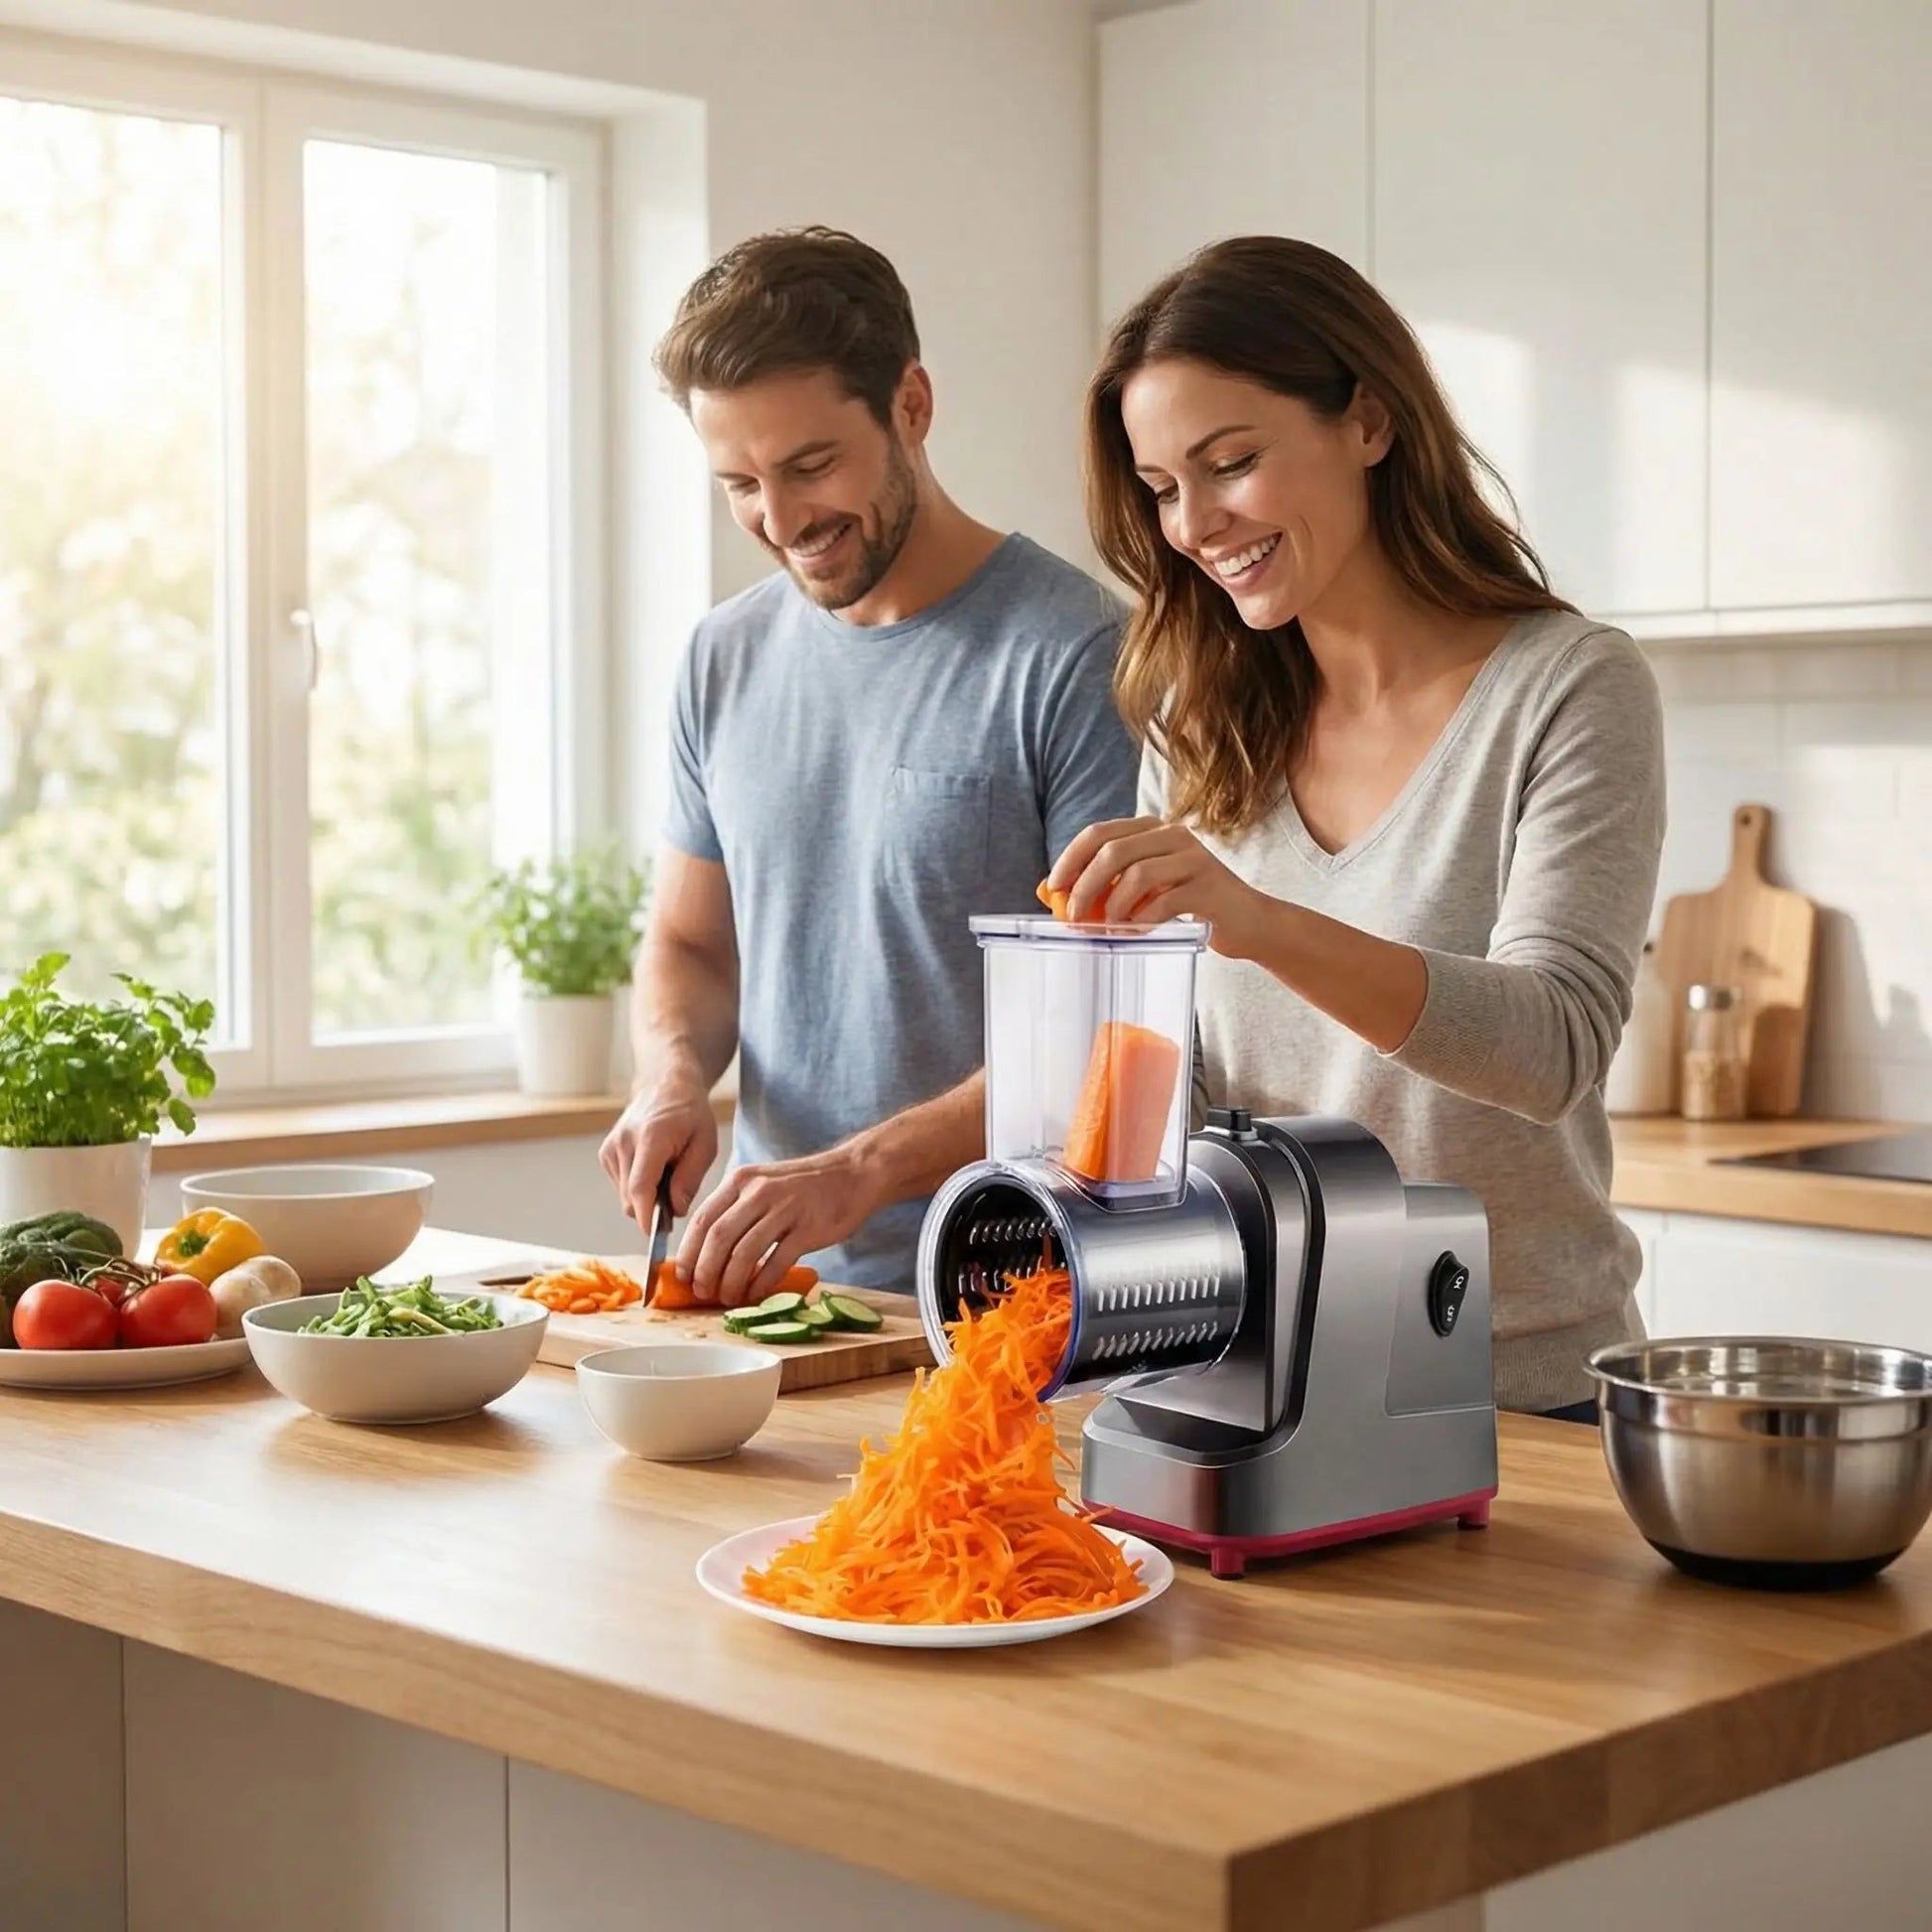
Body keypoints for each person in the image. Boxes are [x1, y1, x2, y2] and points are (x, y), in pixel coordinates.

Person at [1046, 236, 1665, 1419]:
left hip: (1518, 1399)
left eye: (1230, 462)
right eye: (1161, 487)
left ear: (1368, 421)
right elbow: (1172, 1078)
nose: (1193, 523)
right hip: (1260, 1382)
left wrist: (1258, 923)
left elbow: (1550, 1048)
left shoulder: (1567, 686)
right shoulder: (1196, 718)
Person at [600, 227, 1136, 1306]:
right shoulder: (722, 657)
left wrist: (861, 1170)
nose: (781, 519)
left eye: (810, 466)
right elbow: (694, 944)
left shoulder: (1078, 655)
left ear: (912, 405)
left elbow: (1112, 1028)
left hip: (1019, 1305)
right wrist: (670, 1076)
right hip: (775, 1297)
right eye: (739, 482)